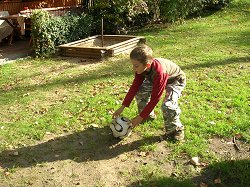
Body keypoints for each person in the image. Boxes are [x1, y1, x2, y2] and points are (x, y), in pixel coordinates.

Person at [112, 45, 186, 141]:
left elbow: (155, 98)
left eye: (136, 66)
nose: (133, 68)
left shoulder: (160, 72)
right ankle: (147, 116)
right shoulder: (141, 68)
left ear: (147, 65)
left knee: (168, 105)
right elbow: (135, 86)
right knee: (140, 91)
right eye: (133, 65)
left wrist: (139, 118)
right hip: (155, 79)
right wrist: (123, 106)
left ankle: (177, 130)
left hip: (175, 81)